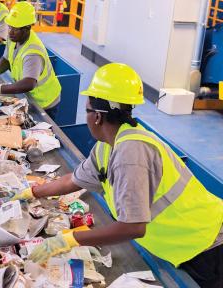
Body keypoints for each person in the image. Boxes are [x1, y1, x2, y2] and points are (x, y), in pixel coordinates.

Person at [15, 63, 223, 288]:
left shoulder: (130, 153)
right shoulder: (108, 145)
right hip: (187, 242)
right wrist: (31, 192)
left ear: (97, 117)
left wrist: (71, 239)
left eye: (86, 110)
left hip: (207, 245)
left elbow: (133, 227)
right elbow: (73, 179)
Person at [0, 1, 62, 119]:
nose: (10, 32)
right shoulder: (13, 37)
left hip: (44, 102)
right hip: (30, 97)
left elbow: (29, 83)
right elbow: (7, 58)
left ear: (27, 28)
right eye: (10, 27)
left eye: (15, 29)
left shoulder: (32, 52)